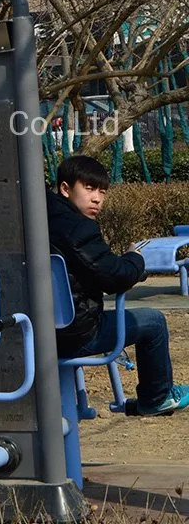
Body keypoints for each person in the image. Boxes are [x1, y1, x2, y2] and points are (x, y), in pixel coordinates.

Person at [47, 154, 189, 416]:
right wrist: (135, 259)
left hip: (33, 332)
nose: (97, 198)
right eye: (88, 188)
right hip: (74, 334)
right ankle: (156, 398)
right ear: (65, 188)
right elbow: (114, 277)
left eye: (102, 191)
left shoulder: (33, 221)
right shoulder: (78, 228)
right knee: (153, 322)